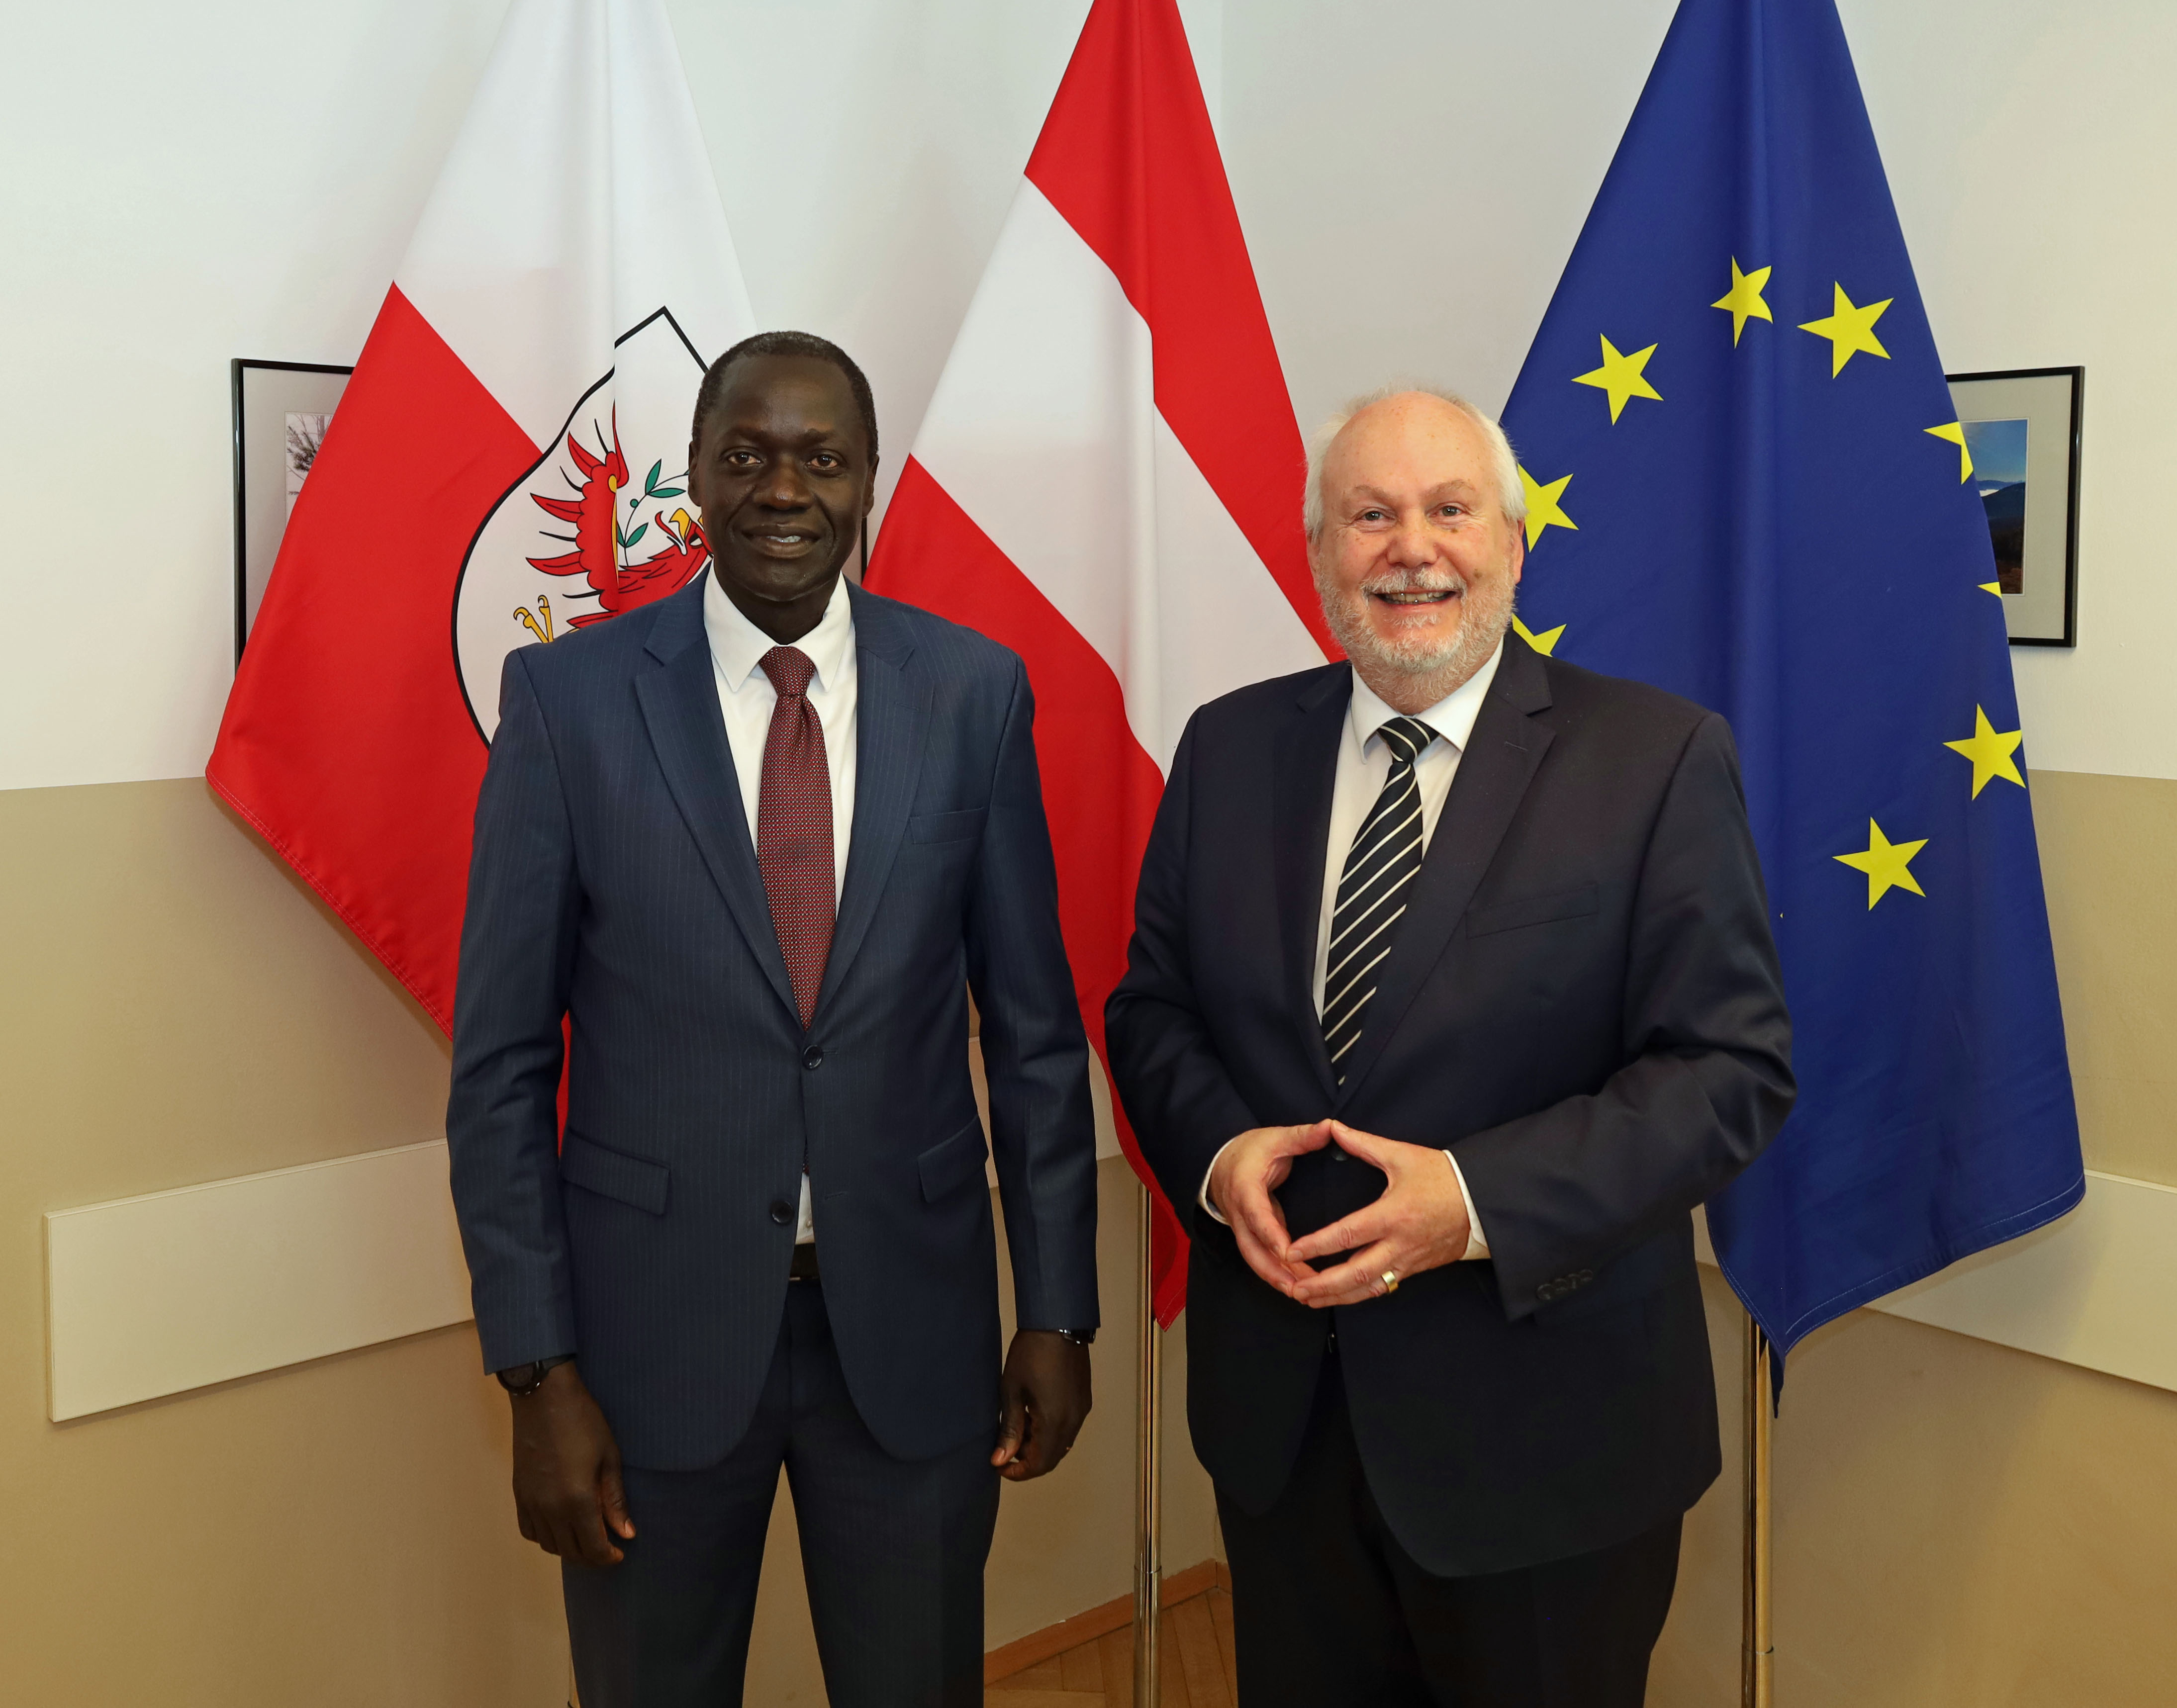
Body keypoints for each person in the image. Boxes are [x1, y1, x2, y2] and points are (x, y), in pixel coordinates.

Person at [1105, 387, 1794, 1706]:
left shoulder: (1651, 759)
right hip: (1284, 1435)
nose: (1407, 548)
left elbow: (1728, 1068)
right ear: (1318, 554)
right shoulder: (1229, 747)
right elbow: (1154, 1008)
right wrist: (1219, 1148)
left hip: (1546, 1446)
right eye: (1368, 515)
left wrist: (1473, 1202)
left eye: (1446, 510)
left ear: (1512, 544)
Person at [446, 331, 1100, 1708]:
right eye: (745, 455)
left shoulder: (972, 694)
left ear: (869, 480)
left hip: (912, 1346)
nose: (782, 488)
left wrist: (1057, 1313)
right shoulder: (568, 702)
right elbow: (501, 1068)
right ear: (692, 476)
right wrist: (535, 1375)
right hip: (645, 1355)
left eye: (820, 458)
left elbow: (1034, 1034)